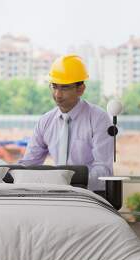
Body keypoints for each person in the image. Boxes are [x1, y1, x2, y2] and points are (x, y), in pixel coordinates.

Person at [18, 54, 113, 190]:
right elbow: (27, 165)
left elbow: (104, 172)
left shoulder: (99, 119)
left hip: (89, 196)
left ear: (80, 89)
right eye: (54, 86)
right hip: (58, 195)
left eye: (64, 88)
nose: (57, 94)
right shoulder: (46, 121)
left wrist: (66, 181)